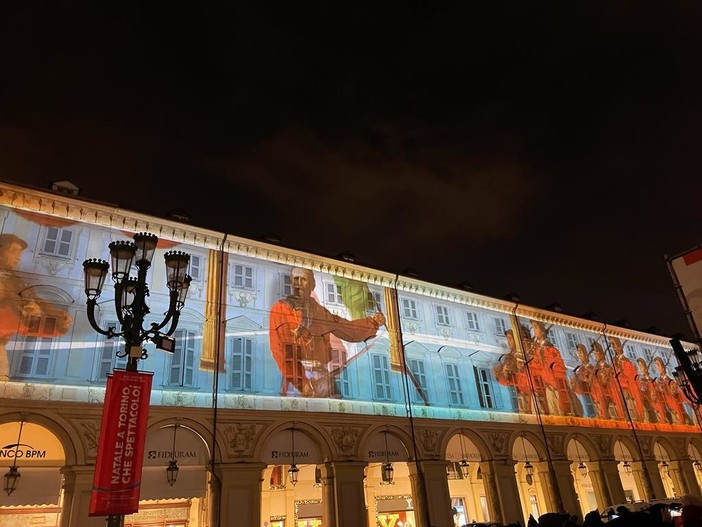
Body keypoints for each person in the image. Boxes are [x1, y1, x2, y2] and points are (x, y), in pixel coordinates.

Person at [268, 267, 386, 397]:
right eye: (296, 279)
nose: (298, 284)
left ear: (312, 284)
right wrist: (301, 382)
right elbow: (282, 351)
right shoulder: (281, 309)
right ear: (291, 282)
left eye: (303, 280)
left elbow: (348, 330)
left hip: (323, 375)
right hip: (298, 379)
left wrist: (373, 322)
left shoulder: (320, 311)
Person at [0, 233, 73, 380]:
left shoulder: (17, 281)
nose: (18, 257)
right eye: (13, 251)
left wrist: (58, 318)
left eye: (19, 253)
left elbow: (34, 303)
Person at [493, 328, 532, 413]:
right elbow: (507, 381)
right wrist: (500, 374)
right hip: (521, 392)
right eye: (507, 339)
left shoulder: (528, 352)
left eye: (510, 338)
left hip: (531, 391)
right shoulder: (509, 357)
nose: (508, 342)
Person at [609, 337, 647, 422]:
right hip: (619, 388)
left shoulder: (627, 362)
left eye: (614, 345)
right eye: (612, 345)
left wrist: (621, 370)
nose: (613, 347)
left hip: (628, 388)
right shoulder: (614, 361)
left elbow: (631, 377)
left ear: (619, 346)